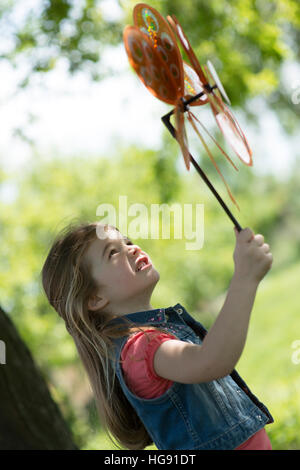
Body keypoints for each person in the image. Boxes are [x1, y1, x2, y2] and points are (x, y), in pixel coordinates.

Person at [41, 220, 274, 450]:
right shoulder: (140, 349)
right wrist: (245, 278)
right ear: (95, 298)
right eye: (113, 253)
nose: (131, 248)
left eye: (127, 241)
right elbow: (211, 361)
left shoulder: (155, 335)